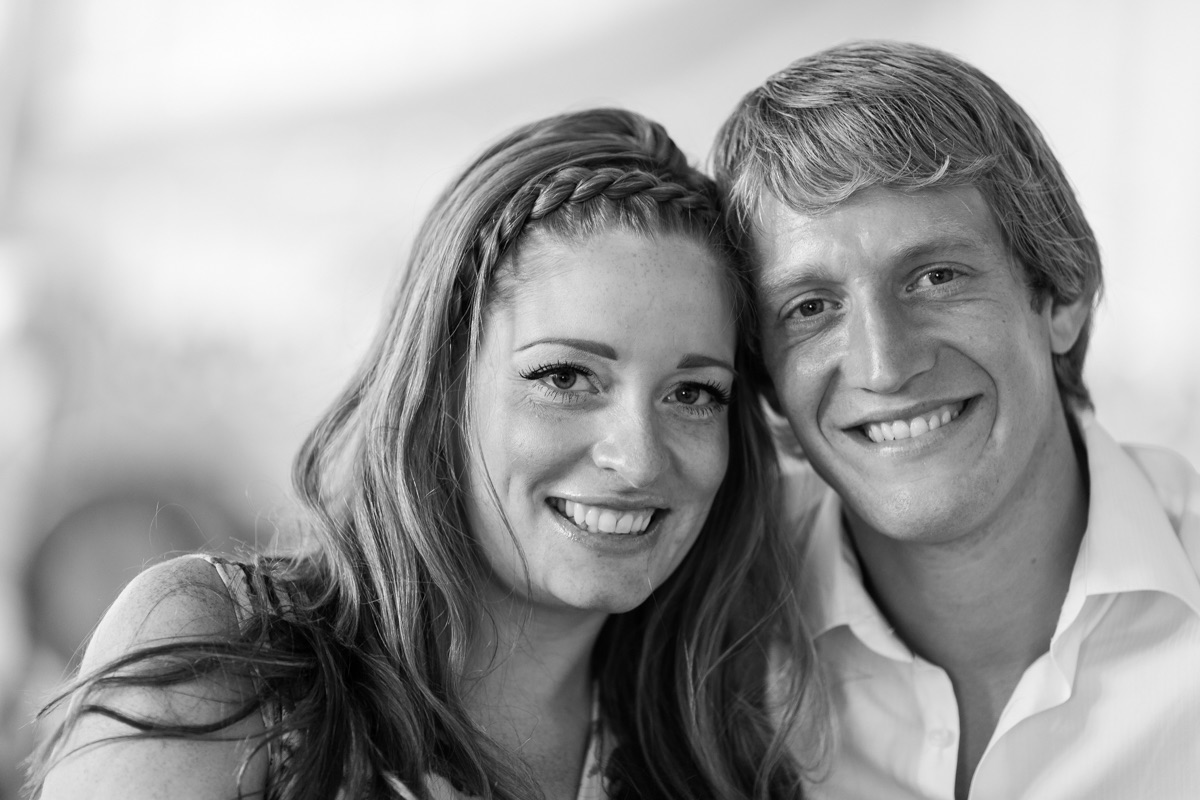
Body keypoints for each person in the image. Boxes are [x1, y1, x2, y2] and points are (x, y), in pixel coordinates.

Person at [27, 108, 825, 800]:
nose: (639, 459)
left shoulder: (727, 753)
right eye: (564, 377)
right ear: (441, 383)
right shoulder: (227, 653)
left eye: (694, 393)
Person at [713, 40, 1200, 800]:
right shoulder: (706, 648)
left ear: (1060, 296)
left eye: (936, 276)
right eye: (810, 308)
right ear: (767, 376)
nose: (884, 365)